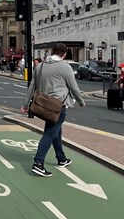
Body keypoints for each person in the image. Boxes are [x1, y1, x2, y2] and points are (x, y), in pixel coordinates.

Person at [21, 42, 86, 177]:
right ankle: (38, 163)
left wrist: (25, 104)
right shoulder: (65, 67)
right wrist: (80, 101)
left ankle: (61, 158)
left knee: (56, 131)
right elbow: (73, 87)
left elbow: (32, 86)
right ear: (65, 54)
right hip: (57, 105)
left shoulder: (40, 66)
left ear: (52, 52)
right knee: (50, 132)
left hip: (43, 104)